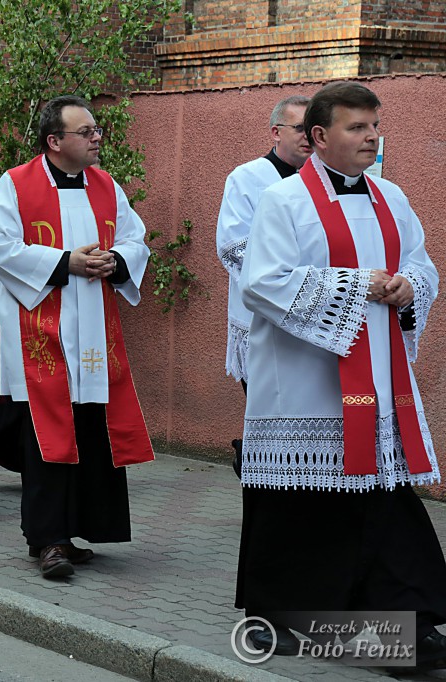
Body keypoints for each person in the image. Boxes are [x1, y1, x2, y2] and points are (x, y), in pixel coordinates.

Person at [237, 81, 446, 666]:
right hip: (303, 386)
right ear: (319, 137)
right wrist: (359, 287)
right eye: (357, 128)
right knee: (301, 507)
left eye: (376, 127)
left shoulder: (391, 197)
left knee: (383, 499)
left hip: (377, 380)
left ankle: (407, 625)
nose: (371, 138)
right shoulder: (284, 201)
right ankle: (279, 621)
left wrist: (409, 288)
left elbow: (420, 264)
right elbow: (262, 283)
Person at [0, 95, 154, 579]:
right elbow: (2, 248)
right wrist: (66, 263)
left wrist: (114, 261)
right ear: (55, 141)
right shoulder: (16, 184)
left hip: (95, 331)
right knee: (47, 438)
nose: (97, 138)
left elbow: (134, 237)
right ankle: (47, 540)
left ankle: (77, 530)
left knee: (90, 433)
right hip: (42, 331)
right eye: (87, 132)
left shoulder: (105, 185)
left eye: (97, 130)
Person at [216, 94, 310, 475]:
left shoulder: (323, 179)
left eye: (315, 129)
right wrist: (291, 275)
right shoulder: (247, 177)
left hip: (312, 314)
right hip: (261, 316)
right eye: (301, 128)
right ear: (276, 131)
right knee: (269, 412)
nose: (309, 137)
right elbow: (233, 243)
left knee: (305, 416)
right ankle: (258, 474)